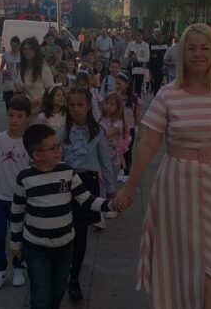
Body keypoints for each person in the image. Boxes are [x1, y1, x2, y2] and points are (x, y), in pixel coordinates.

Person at [114, 23, 211, 309]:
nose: (198, 54)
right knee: (181, 259)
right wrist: (129, 186)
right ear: (182, 54)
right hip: (176, 185)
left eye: (205, 48)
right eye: (192, 48)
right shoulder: (167, 94)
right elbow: (149, 144)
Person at [11, 124, 115, 309]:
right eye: (53, 148)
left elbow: (86, 199)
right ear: (37, 155)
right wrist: (15, 243)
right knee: (41, 295)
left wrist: (110, 204)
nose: (59, 150)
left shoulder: (67, 172)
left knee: (59, 290)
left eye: (59, 145)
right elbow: (17, 211)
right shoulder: (25, 178)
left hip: (65, 245)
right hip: (36, 247)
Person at [56, 88, 115, 301]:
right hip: (65, 183)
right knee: (64, 228)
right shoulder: (62, 132)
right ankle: (63, 266)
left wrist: (110, 188)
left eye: (80, 105)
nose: (76, 109)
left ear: (89, 106)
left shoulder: (97, 131)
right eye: (72, 105)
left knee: (80, 232)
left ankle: (74, 278)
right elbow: (56, 160)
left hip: (87, 184)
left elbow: (104, 160)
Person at [0, 95, 32, 290]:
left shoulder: (30, 142)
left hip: (21, 199)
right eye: (11, 115)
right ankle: (1, 269)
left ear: (27, 117)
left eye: (19, 116)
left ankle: (19, 266)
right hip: (0, 197)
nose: (14, 120)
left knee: (19, 235)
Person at [99, 92, 129, 203]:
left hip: (113, 159)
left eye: (112, 104)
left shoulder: (118, 123)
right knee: (101, 182)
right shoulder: (103, 118)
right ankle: (103, 204)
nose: (108, 106)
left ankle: (112, 205)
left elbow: (104, 135)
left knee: (110, 184)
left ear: (118, 107)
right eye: (106, 103)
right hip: (102, 157)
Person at [15, 37, 54, 117]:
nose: (27, 51)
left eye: (30, 49)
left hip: (39, 113)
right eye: (25, 49)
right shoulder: (21, 69)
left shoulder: (44, 70)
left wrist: (37, 101)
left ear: (36, 51)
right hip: (22, 112)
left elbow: (51, 93)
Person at [114, 71, 141, 183]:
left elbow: (138, 115)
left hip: (130, 129)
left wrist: (140, 131)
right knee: (118, 150)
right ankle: (120, 169)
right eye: (116, 83)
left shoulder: (134, 98)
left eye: (119, 83)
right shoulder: (114, 96)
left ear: (127, 84)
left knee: (127, 151)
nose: (117, 86)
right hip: (117, 128)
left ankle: (127, 172)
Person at [124, 29, 150, 97]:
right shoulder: (130, 44)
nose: (137, 37)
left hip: (140, 66)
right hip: (131, 66)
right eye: (136, 35)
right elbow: (125, 55)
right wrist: (130, 56)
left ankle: (138, 100)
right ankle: (129, 99)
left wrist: (138, 59)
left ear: (142, 36)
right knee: (130, 85)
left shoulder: (145, 45)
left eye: (139, 36)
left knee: (138, 86)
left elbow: (147, 58)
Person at [0, 36, 21, 109]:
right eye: (12, 46)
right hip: (8, 82)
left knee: (18, 105)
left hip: (19, 83)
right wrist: (3, 72)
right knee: (8, 104)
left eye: (16, 46)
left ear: (19, 45)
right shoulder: (6, 55)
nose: (14, 48)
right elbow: (1, 68)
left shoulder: (22, 56)